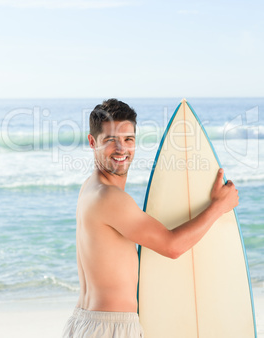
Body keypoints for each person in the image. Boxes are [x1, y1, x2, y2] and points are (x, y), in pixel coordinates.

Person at [62, 99, 239, 338]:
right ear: (92, 142)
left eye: (128, 139)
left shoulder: (90, 188)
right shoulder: (109, 197)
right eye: (110, 140)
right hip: (111, 328)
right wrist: (219, 206)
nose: (121, 149)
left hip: (85, 322)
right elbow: (172, 246)